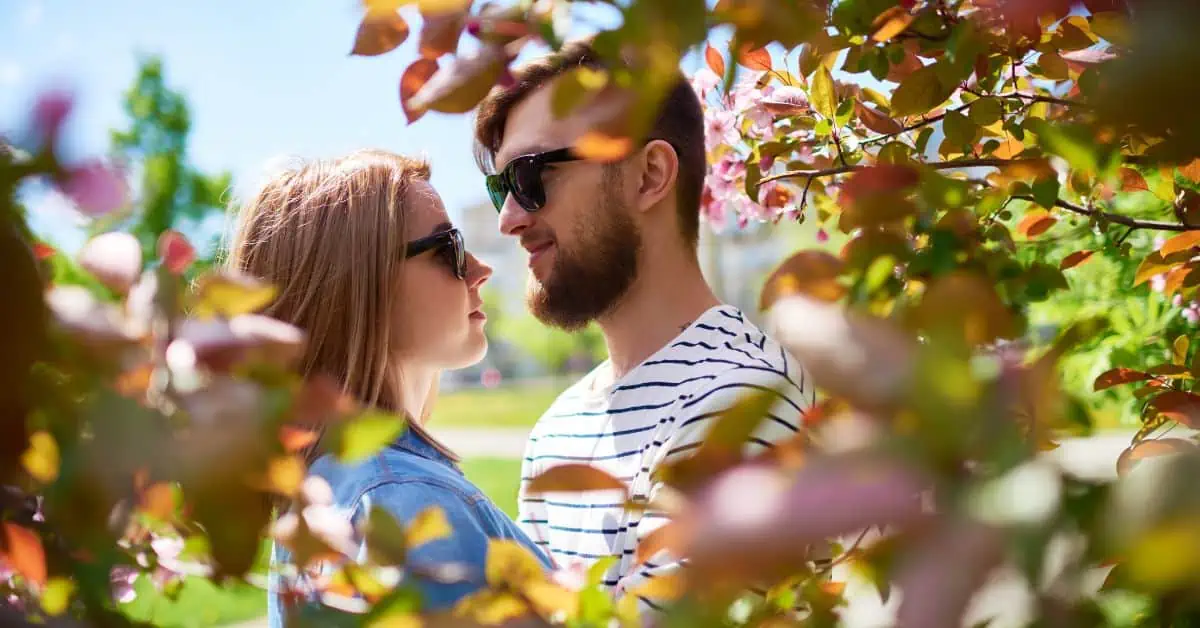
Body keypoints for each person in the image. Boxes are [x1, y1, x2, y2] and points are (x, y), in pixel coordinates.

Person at [472, 41, 816, 614]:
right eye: (500, 187)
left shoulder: (739, 401)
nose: (510, 218)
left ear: (650, 175)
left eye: (530, 176)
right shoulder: (558, 429)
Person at [224, 150, 552, 626]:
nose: (481, 269)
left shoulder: (326, 494)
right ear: (362, 284)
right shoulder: (403, 501)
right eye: (450, 249)